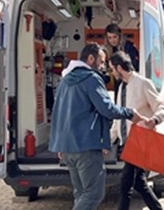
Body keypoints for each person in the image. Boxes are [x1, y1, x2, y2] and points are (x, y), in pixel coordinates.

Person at [49, 44, 145, 210]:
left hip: (68, 148)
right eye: (101, 61)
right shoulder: (91, 78)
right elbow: (106, 109)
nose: (102, 66)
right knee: (94, 193)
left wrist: (60, 143)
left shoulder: (65, 81)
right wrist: (130, 113)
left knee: (81, 194)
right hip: (86, 146)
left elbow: (59, 112)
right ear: (91, 58)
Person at [109, 51, 164, 210]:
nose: (111, 72)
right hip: (127, 143)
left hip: (141, 141)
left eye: (112, 69)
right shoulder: (121, 87)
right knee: (139, 183)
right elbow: (118, 118)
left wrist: (154, 120)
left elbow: (162, 108)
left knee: (125, 184)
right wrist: (108, 141)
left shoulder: (143, 83)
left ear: (119, 68)